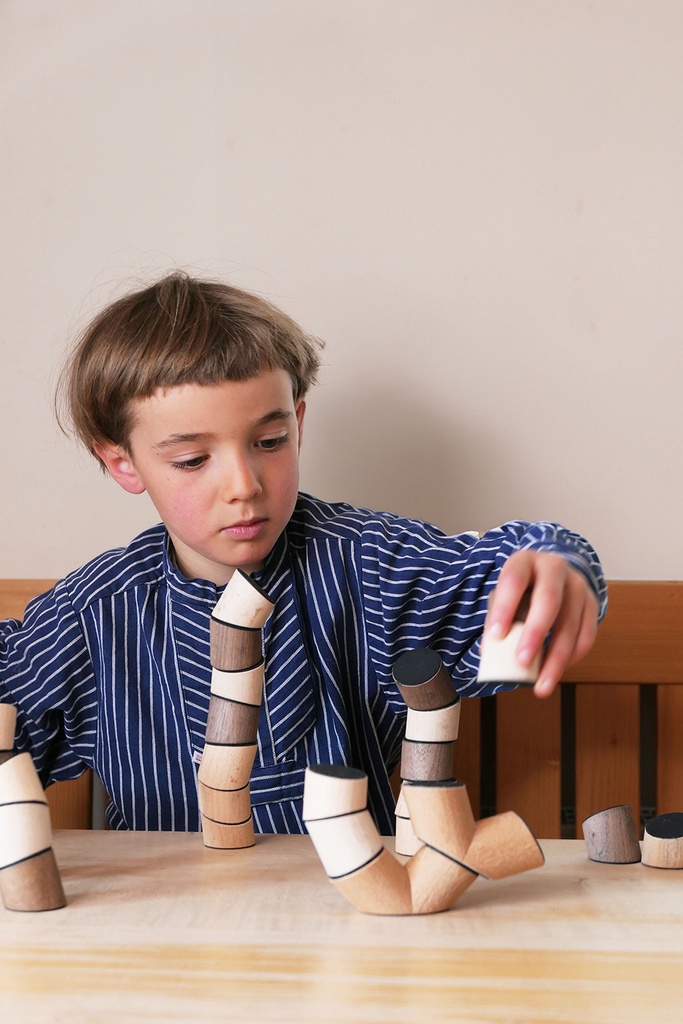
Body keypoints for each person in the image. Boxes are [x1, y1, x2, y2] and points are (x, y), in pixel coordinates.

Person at [0, 273, 606, 833]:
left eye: (270, 441)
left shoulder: (367, 568)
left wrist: (556, 568)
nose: (244, 484)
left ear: (299, 421)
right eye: (191, 460)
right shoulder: (96, 616)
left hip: (353, 921)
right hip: (165, 934)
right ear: (123, 464)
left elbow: (512, 575)